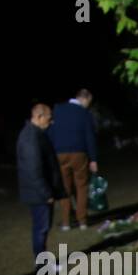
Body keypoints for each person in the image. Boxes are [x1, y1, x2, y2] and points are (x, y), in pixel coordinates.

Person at [16, 103, 64, 267]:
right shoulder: (31, 137)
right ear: (39, 117)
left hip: (37, 192)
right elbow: (33, 169)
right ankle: (42, 264)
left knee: (42, 228)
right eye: (49, 118)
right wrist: (46, 193)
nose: (50, 122)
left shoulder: (34, 134)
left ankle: (43, 261)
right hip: (38, 194)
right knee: (41, 229)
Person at [47, 88, 98, 230]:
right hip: (79, 153)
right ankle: (82, 221)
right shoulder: (84, 113)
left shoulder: (57, 110)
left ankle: (66, 222)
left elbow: (50, 132)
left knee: (64, 188)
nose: (89, 105)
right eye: (89, 102)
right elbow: (90, 136)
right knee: (81, 187)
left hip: (59, 154)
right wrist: (93, 159)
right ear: (84, 99)